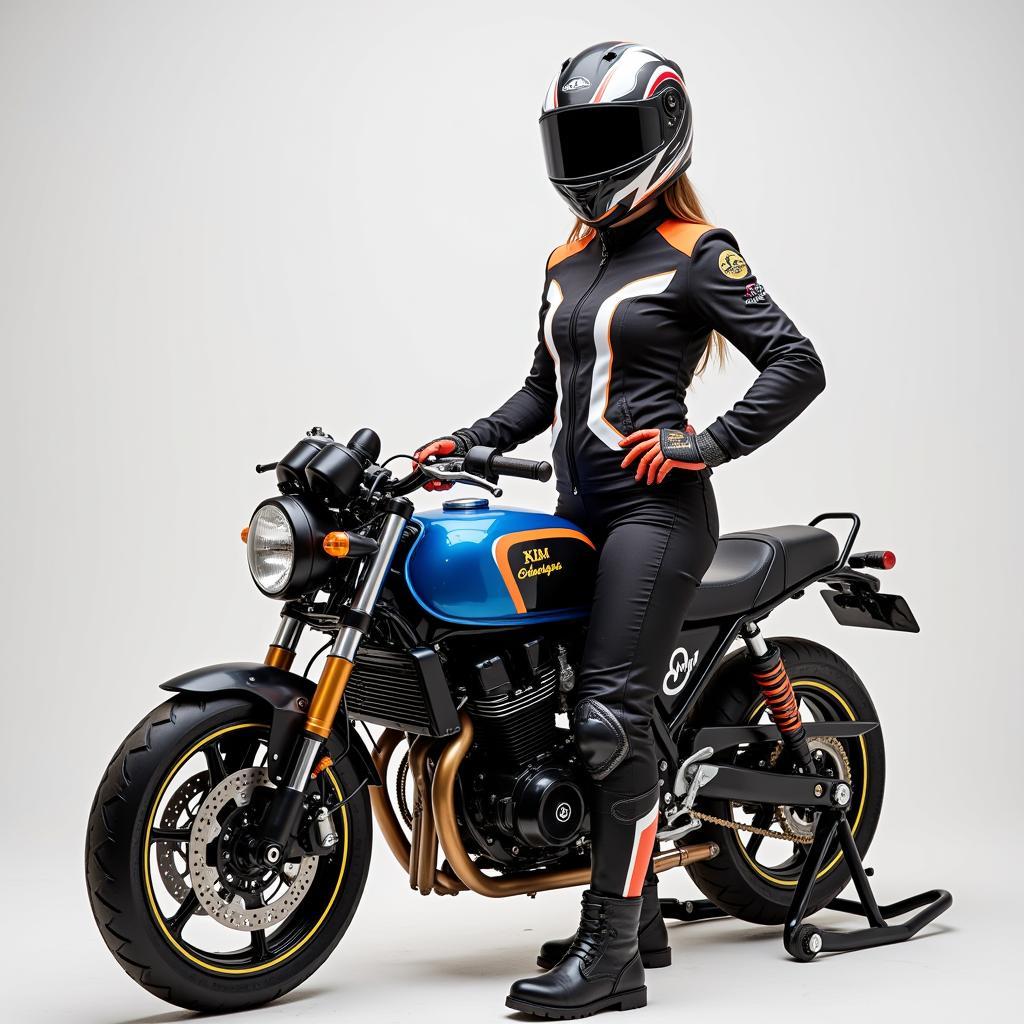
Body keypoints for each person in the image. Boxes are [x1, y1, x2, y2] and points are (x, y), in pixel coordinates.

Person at [413, 41, 826, 1020]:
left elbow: (795, 361)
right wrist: (464, 439)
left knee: (605, 722)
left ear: (666, 133)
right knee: (569, 710)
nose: (592, 157)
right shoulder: (566, 257)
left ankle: (613, 959)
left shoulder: (698, 251)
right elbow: (539, 392)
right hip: (581, 511)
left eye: (613, 135)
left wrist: (706, 442)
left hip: (658, 516)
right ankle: (633, 916)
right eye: (578, 136)